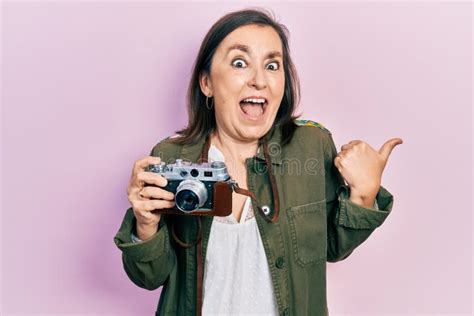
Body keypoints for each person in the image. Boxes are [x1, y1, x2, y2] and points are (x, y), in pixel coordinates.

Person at [114, 8, 403, 316]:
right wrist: (145, 225)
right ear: (207, 83)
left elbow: (332, 246)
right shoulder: (171, 157)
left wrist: (365, 194)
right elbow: (149, 276)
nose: (259, 80)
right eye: (240, 63)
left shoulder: (312, 147)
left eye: (272, 65)